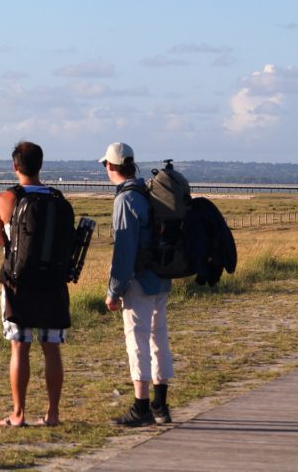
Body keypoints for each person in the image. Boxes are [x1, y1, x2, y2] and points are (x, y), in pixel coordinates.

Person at [0, 141, 71, 427]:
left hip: (17, 284)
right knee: (51, 347)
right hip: (53, 283)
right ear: (40, 165)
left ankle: (19, 413)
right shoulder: (58, 199)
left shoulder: (5, 199)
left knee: (19, 347)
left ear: (15, 166)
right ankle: (52, 414)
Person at [100, 142, 173, 426]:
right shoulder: (148, 191)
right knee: (159, 339)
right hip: (161, 277)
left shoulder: (125, 200)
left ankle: (141, 406)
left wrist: (113, 290)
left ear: (110, 166)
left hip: (138, 282)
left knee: (137, 341)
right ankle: (160, 405)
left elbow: (124, 251)